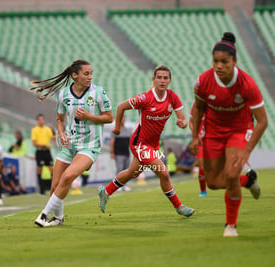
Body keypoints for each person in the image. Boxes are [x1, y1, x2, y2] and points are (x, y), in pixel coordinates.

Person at [190, 32, 267, 237]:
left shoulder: (247, 84)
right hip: (213, 133)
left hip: (238, 131)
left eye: (224, 62)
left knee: (231, 174)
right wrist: (195, 136)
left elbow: (263, 120)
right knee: (214, 183)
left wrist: (247, 151)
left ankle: (230, 225)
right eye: (215, 61)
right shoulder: (203, 81)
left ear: (234, 61)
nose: (219, 66)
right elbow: (198, 109)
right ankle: (248, 181)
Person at [98, 65, 195, 217]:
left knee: (133, 173)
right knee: (164, 173)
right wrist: (117, 128)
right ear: (153, 80)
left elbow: (182, 119)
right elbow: (121, 107)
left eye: (165, 78)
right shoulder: (145, 98)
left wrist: (182, 123)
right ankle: (179, 206)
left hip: (153, 144)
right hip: (140, 143)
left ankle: (106, 191)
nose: (162, 81)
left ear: (169, 80)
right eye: (159, 77)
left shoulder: (172, 97)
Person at [31, 59, 113, 227]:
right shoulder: (63, 94)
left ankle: (43, 215)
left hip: (89, 146)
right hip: (69, 145)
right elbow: (59, 119)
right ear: (75, 75)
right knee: (54, 186)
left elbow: (109, 117)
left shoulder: (98, 92)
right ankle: (59, 218)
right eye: (86, 73)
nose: (90, 77)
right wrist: (60, 133)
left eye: (91, 73)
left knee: (67, 177)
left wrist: (89, 117)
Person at [31, 114, 55, 195]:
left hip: (47, 152)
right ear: (37, 121)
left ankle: (54, 189)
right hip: (40, 152)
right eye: (39, 120)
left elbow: (54, 138)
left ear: (44, 120)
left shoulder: (47, 129)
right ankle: (42, 191)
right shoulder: (35, 130)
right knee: (40, 170)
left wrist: (53, 131)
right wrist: (44, 145)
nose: (41, 121)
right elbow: (34, 143)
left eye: (42, 119)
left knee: (52, 169)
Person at [110, 116, 134, 191]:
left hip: (126, 152)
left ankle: (124, 185)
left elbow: (131, 141)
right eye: (121, 118)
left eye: (123, 118)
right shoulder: (115, 130)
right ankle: (117, 186)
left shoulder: (128, 130)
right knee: (119, 170)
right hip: (118, 153)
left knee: (126, 170)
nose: (122, 120)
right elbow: (112, 141)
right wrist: (112, 152)